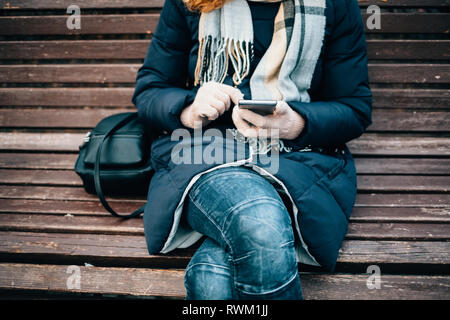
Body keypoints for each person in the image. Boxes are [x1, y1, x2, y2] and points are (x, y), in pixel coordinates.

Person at [132, 0, 372, 300]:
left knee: (214, 283)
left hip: (297, 158)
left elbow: (354, 107)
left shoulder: (334, 5)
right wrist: (189, 108)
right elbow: (150, 90)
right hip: (204, 154)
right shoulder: (192, 2)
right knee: (260, 226)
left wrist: (296, 123)